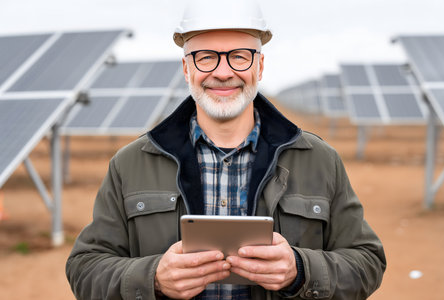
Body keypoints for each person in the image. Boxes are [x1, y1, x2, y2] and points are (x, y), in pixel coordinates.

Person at [66, 0, 386, 299]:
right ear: (186, 68)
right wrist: (152, 278)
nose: (222, 72)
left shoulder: (319, 160)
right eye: (206, 56)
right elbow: (85, 268)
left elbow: (367, 261)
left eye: (239, 56)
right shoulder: (131, 164)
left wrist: (301, 270)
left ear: (259, 67)